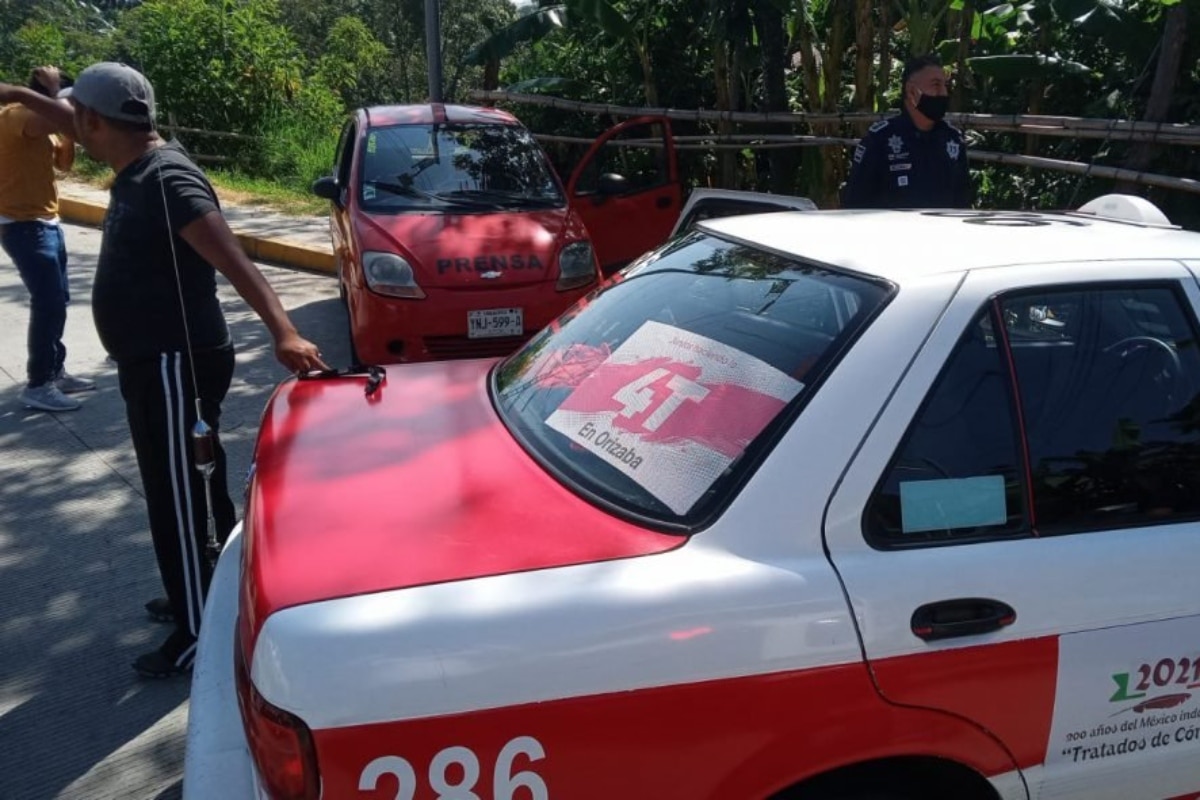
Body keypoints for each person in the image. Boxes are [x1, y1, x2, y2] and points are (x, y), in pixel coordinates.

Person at [0, 62, 329, 678]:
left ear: (96, 121)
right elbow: (69, 116)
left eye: (80, 118)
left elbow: (233, 258)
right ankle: (201, 593)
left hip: (176, 362)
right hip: (158, 361)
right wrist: (21, 94)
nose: (75, 126)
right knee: (192, 488)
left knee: (177, 496)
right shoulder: (135, 161)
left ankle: (199, 631)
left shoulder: (166, 179)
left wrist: (282, 330)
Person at [0, 66, 96, 412]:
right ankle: (38, 383)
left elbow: (64, 165)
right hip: (23, 223)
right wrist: (56, 89)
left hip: (46, 220)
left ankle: (55, 371)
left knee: (59, 299)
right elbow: (63, 118)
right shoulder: (18, 115)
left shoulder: (43, 123)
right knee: (49, 303)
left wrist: (67, 137)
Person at [842, 54, 972, 209]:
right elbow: (856, 203)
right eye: (936, 85)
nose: (943, 93)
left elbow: (962, 202)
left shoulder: (953, 140)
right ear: (911, 91)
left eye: (945, 86)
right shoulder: (881, 140)